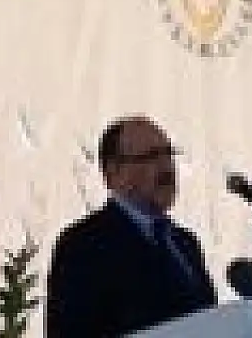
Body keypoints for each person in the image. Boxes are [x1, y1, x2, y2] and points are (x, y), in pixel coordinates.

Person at [45, 116, 217, 337]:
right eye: (152, 156)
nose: (166, 167)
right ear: (113, 173)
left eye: (169, 153)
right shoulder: (83, 245)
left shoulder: (186, 243)